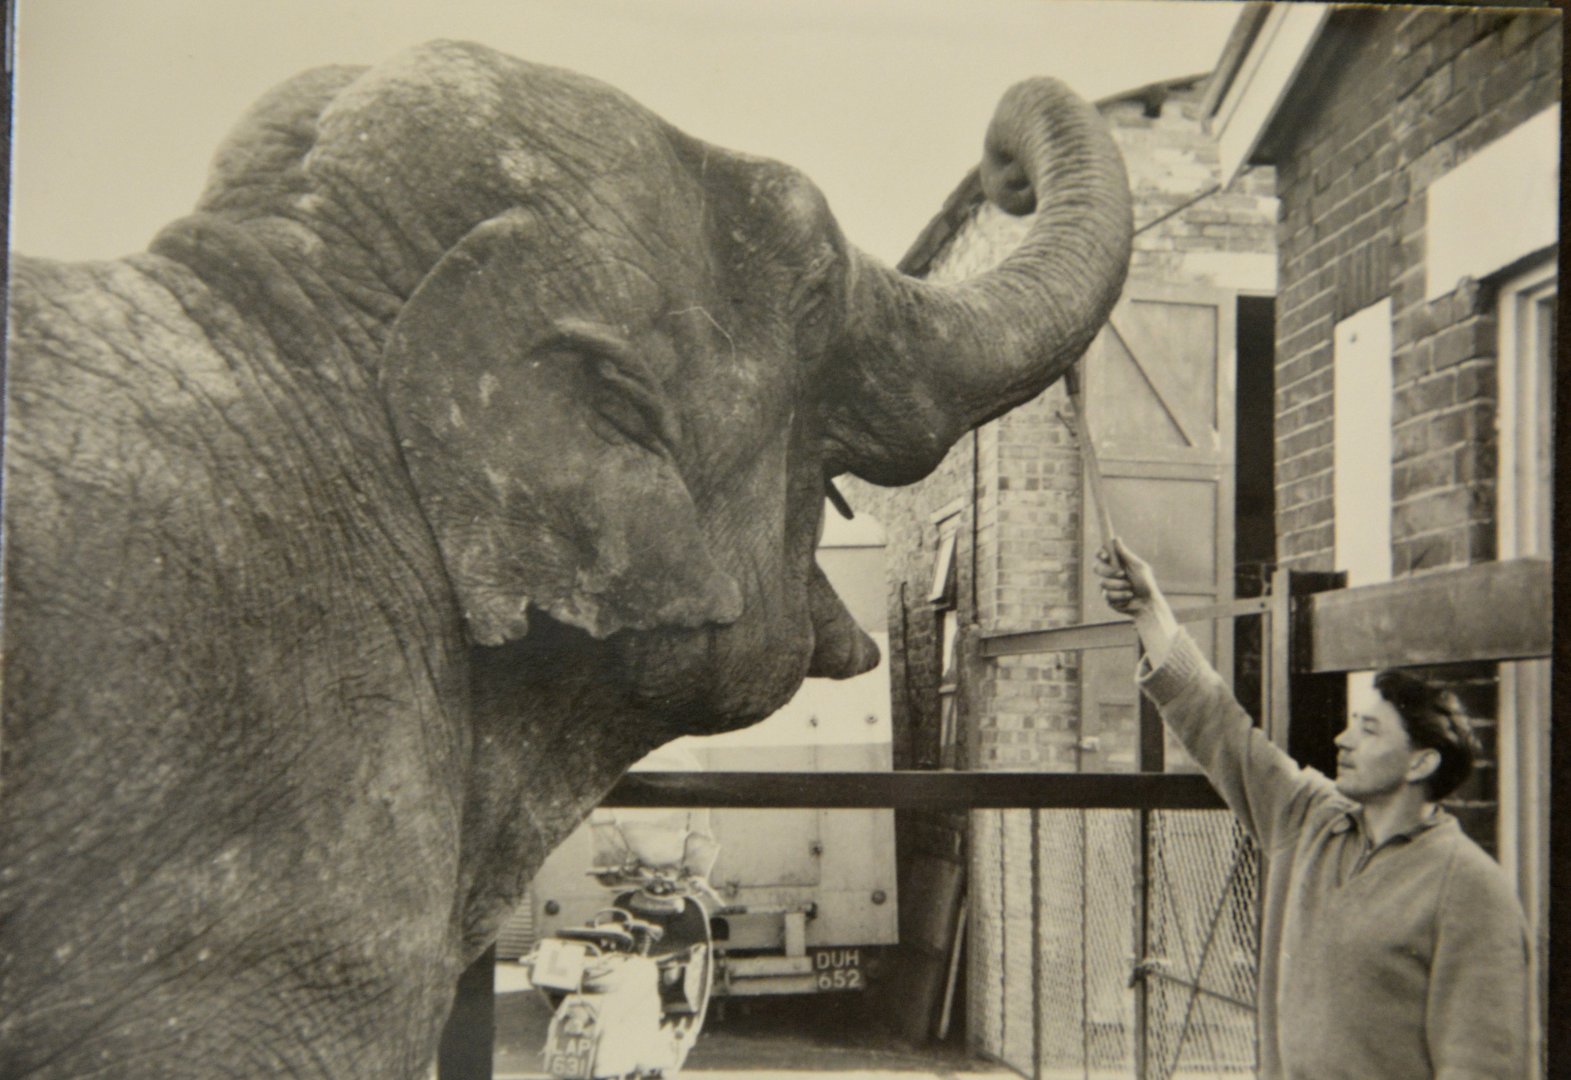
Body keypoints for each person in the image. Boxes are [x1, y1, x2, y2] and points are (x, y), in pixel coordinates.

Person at [1094, 538, 1530, 1080]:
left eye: (1368, 730)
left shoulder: (1470, 888)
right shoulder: (1309, 818)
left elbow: (1480, 1066)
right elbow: (1216, 724)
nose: (1343, 740)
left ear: (1420, 764)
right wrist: (1148, 607)